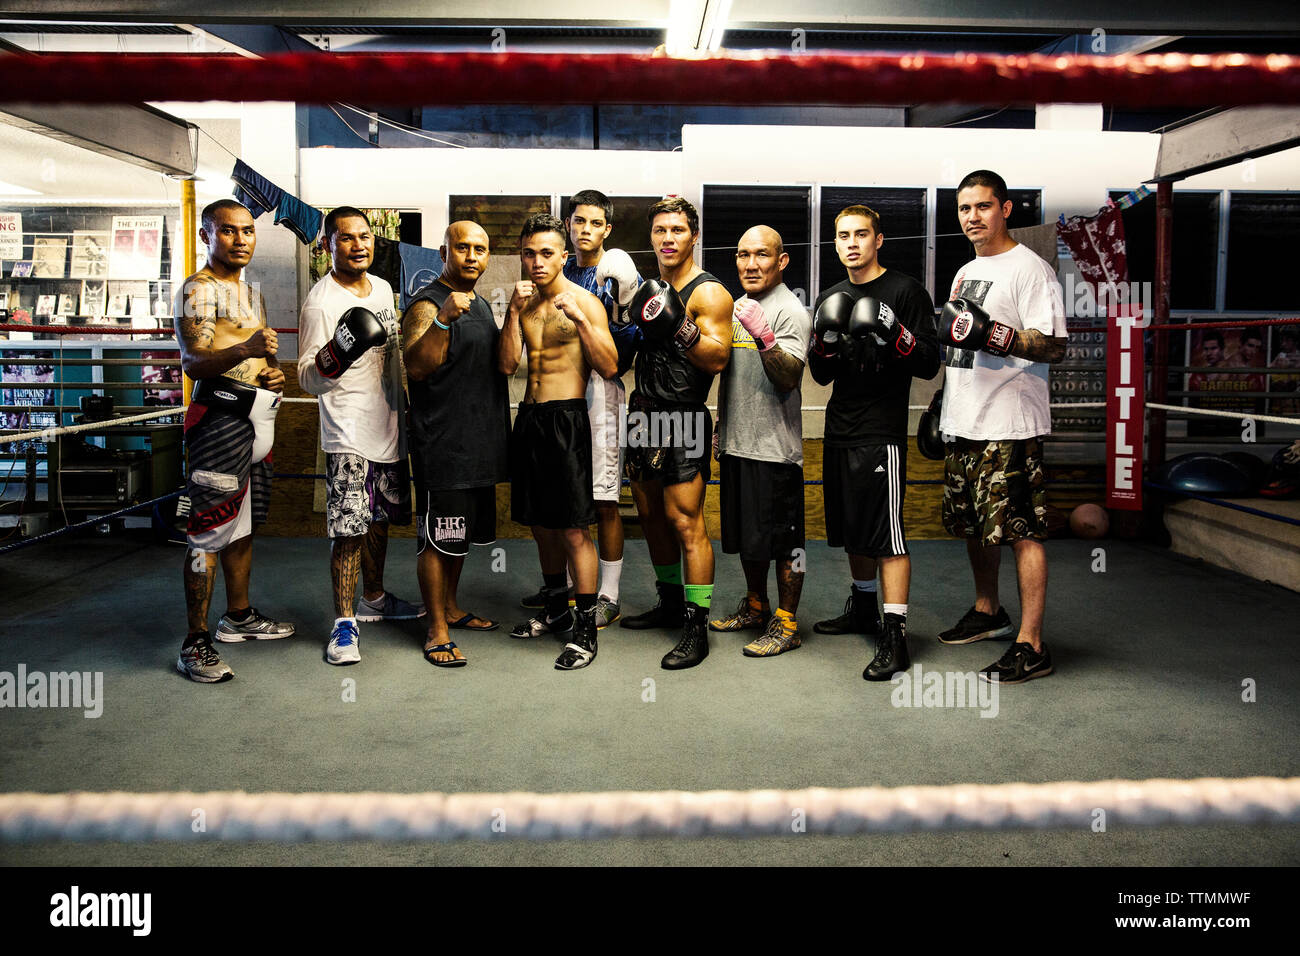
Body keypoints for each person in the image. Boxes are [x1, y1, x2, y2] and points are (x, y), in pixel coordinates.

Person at [937, 169, 1068, 684]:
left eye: (983, 206)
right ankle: (989, 610)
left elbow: (1053, 345)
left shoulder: (1029, 270)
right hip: (965, 416)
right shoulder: (966, 271)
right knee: (975, 524)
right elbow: (957, 343)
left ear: (1006, 209)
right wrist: (939, 407)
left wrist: (995, 334)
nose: (973, 217)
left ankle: (1032, 644)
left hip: (1009, 423)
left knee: (1021, 530)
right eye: (965, 208)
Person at [809, 205, 941, 680]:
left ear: (877, 240)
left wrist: (897, 333)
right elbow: (821, 373)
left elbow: (928, 362)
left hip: (881, 429)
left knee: (886, 534)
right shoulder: (831, 296)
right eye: (843, 235)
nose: (851, 243)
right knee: (853, 527)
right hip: (839, 426)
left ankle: (896, 635)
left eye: (861, 234)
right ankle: (864, 607)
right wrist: (825, 340)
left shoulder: (905, 291)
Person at [297, 206, 424, 667]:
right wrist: (336, 353)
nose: (358, 245)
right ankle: (343, 624)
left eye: (365, 236)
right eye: (346, 238)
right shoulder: (320, 301)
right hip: (348, 431)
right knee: (348, 530)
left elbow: (389, 355)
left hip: (389, 424)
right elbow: (306, 378)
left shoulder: (385, 288)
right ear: (327, 245)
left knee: (380, 521)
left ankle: (373, 597)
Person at [173, 199, 293, 683]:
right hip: (218, 421)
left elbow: (256, 361)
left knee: (241, 524)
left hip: (255, 418)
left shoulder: (250, 292)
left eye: (248, 231)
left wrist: (272, 375)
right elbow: (194, 362)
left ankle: (238, 616)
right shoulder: (197, 292)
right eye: (228, 231)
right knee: (207, 531)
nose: (241, 239)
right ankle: (194, 641)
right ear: (207, 236)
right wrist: (245, 348)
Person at [518, 189, 642, 628]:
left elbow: (622, 347)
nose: (585, 228)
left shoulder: (615, 269)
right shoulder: (556, 268)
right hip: (558, 404)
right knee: (561, 504)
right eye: (578, 221)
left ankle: (607, 593)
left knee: (603, 498)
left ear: (607, 229)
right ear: (568, 228)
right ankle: (566, 589)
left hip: (602, 392)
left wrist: (619, 297)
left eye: (595, 222)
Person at [500, 214, 619, 670]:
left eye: (546, 253)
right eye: (528, 253)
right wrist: (511, 312)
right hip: (529, 418)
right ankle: (554, 610)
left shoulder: (586, 302)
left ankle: (585, 631)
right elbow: (507, 365)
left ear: (564, 256)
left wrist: (581, 322)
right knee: (540, 524)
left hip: (567, 421)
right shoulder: (524, 306)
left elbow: (608, 366)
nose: (536, 262)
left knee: (572, 528)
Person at [621, 197, 733, 669]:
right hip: (642, 413)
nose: (668, 238)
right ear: (652, 237)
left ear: (694, 236)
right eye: (661, 230)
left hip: (684, 416)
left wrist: (679, 325)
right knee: (649, 518)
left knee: (686, 522)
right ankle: (669, 601)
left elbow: (717, 359)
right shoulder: (652, 287)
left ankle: (696, 626)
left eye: (678, 230)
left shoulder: (709, 294)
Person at [402, 221, 510, 667]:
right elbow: (417, 367)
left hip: (478, 443)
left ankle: (451, 607)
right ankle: (436, 630)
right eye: (461, 247)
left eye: (479, 249)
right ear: (443, 252)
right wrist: (443, 317)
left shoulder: (482, 303)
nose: (471, 256)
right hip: (442, 444)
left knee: (459, 538)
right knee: (437, 539)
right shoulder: (427, 304)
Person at [710, 225, 813, 658]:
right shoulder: (737, 307)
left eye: (762, 255)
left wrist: (766, 337)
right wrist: (721, 421)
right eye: (742, 255)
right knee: (747, 536)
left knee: (786, 542)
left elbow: (788, 377)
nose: (751, 264)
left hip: (774, 448)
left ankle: (787, 623)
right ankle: (756, 607)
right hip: (738, 440)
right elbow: (732, 373)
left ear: (781, 260)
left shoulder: (791, 310)